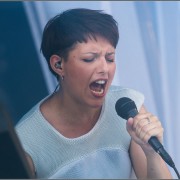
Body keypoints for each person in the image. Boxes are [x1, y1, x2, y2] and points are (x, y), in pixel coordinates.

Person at [15, 8, 172, 179]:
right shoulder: (26, 142)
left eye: (110, 58)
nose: (104, 68)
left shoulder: (128, 106)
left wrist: (152, 153)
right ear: (58, 65)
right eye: (89, 59)